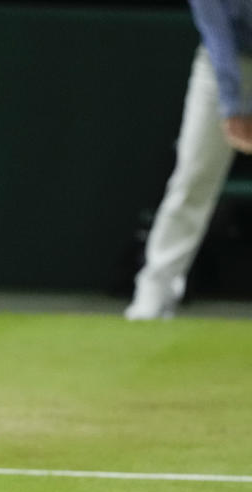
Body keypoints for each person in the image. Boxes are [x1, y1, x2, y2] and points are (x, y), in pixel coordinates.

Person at [126, 0, 252, 320]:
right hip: (220, 68)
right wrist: (232, 103)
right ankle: (155, 290)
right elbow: (216, 31)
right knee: (193, 179)